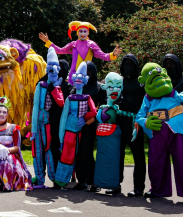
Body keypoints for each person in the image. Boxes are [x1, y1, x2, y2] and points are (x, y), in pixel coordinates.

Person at [135, 63, 183, 207]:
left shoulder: (173, 94)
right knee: (156, 163)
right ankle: (158, 190)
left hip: (179, 131)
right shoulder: (147, 98)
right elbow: (139, 116)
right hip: (157, 133)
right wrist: (146, 123)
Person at [54, 62, 97, 188]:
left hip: (81, 131)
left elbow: (93, 111)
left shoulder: (88, 97)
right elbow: (63, 118)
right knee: (67, 154)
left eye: (82, 76)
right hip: (69, 130)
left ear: (86, 80)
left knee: (81, 154)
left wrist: (85, 119)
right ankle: (62, 179)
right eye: (77, 76)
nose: (79, 78)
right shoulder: (70, 97)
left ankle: (85, 180)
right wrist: (61, 138)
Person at [39, 21, 122, 84]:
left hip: (86, 76)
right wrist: (48, 42)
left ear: (88, 32)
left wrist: (113, 54)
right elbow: (60, 50)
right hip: (73, 76)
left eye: (85, 31)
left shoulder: (91, 44)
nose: (83, 34)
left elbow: (103, 56)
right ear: (77, 33)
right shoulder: (73, 44)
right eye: (81, 31)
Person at [94, 72, 135, 194]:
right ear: (104, 87)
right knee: (101, 161)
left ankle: (114, 184)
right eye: (111, 87)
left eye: (118, 86)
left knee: (112, 162)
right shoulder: (102, 107)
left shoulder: (116, 108)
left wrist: (135, 126)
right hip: (101, 139)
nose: (115, 90)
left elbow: (131, 115)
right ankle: (99, 183)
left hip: (113, 139)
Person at [30, 47, 66, 188]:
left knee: (48, 149)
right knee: (37, 150)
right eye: (50, 67)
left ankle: (54, 177)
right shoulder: (41, 84)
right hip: (38, 119)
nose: (53, 70)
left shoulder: (57, 86)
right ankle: (39, 179)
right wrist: (33, 129)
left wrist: (55, 88)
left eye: (55, 68)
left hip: (48, 122)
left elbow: (61, 103)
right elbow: (35, 106)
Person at [116, 54, 146, 197]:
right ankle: (115, 184)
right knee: (117, 155)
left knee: (138, 156)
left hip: (136, 124)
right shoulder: (119, 82)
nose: (127, 67)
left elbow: (146, 105)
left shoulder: (141, 84)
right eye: (125, 65)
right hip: (120, 123)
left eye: (131, 65)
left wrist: (142, 120)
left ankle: (139, 187)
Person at [74, 61, 106, 191]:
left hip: (91, 124)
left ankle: (93, 182)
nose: (87, 74)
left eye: (89, 71)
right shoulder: (77, 86)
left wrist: (92, 120)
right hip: (77, 124)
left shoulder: (99, 87)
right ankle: (81, 181)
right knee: (78, 152)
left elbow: (103, 106)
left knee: (86, 152)